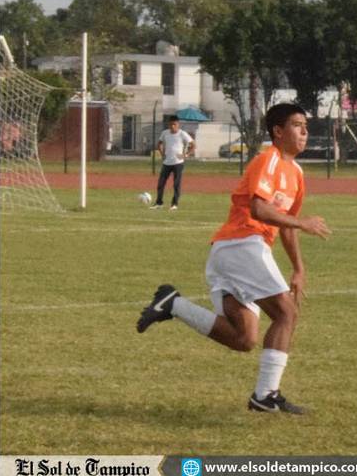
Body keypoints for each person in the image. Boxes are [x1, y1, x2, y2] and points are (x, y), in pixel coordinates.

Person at [138, 103, 331, 414]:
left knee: (244, 338)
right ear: (278, 132)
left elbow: (285, 225)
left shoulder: (296, 173)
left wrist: (298, 268)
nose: (305, 131)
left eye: (305, 125)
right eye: (297, 125)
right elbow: (259, 209)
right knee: (286, 314)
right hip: (242, 243)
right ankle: (266, 396)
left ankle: (173, 304)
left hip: (233, 251)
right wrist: (302, 222)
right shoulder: (268, 160)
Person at [151, 115, 194, 210]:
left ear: (178, 124)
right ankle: (159, 203)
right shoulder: (165, 133)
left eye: (174, 124)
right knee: (161, 183)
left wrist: (186, 155)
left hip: (178, 163)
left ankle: (174, 204)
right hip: (166, 163)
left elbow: (193, 145)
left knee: (176, 184)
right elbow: (159, 143)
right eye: (170, 124)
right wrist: (162, 154)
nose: (172, 126)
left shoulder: (182, 134)